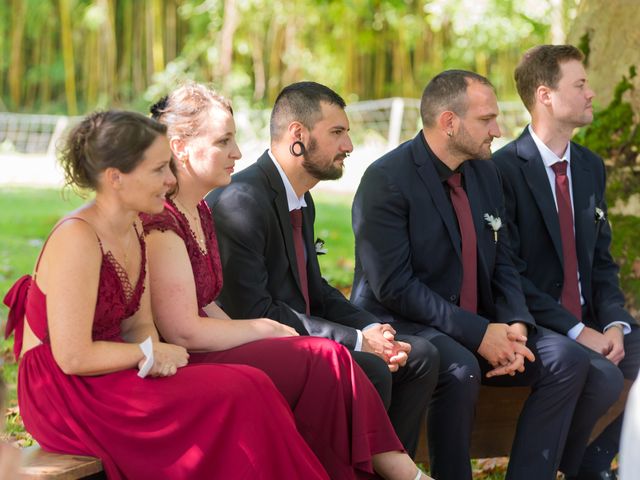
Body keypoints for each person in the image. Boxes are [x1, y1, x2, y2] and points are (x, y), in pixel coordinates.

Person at [2, 110, 332, 480]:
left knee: (250, 382)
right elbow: (74, 357)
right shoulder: (77, 237)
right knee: (236, 393)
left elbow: (139, 327)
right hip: (66, 394)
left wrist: (160, 361)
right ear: (116, 178)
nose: (170, 180)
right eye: (159, 169)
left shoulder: (135, 229)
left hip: (113, 371)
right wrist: (148, 354)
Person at [142, 82, 431, 480]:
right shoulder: (226, 205)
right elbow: (195, 325)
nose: (238, 153)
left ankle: (392, 470)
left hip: (231, 336)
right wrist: (272, 331)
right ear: (180, 148)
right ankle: (394, 473)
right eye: (224, 141)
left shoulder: (203, 213)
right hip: (191, 355)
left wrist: (364, 328)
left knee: (417, 357)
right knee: (337, 360)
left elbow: (218, 301)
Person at [350, 69, 600, 480]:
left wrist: (515, 324)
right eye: (486, 120)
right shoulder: (386, 181)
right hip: (408, 325)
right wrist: (480, 333)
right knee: (460, 368)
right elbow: (393, 285)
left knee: (567, 359)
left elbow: (503, 260)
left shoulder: (485, 172)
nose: (498, 130)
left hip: (483, 324)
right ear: (449, 122)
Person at [492, 44, 640, 480]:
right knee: (605, 377)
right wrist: (577, 331)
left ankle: (592, 465)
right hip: (537, 326)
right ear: (546, 96)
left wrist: (614, 323)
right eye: (580, 85)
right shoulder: (503, 170)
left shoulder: (591, 167)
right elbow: (509, 273)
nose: (592, 93)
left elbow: (600, 262)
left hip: (592, 321)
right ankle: (558, 471)